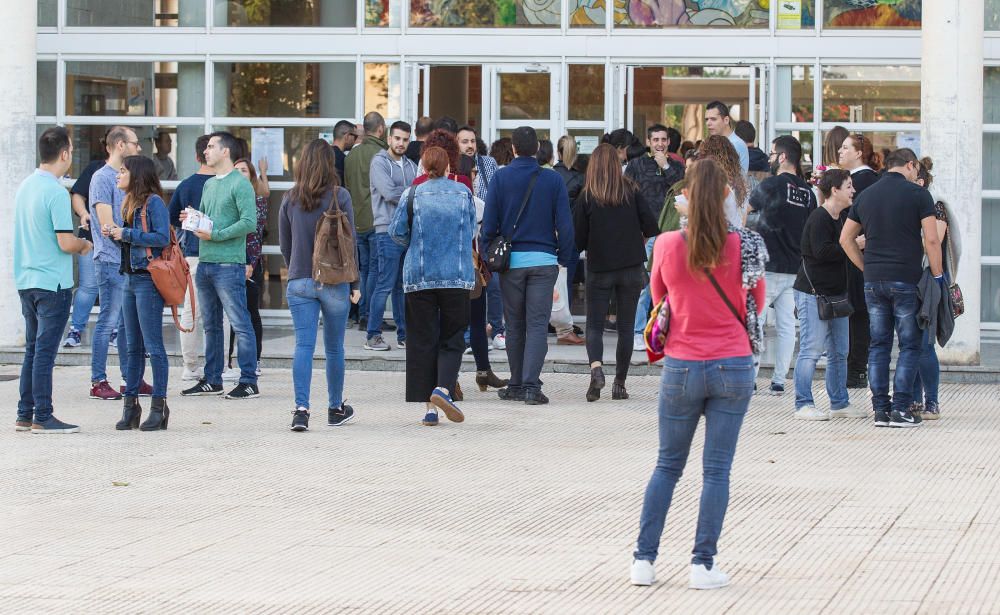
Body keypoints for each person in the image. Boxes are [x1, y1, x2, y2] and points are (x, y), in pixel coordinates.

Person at [630, 158, 766, 590]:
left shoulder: (668, 244)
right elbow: (757, 305)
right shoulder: (746, 244)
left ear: (685, 195)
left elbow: (658, 299)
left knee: (667, 465)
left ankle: (644, 560)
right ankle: (702, 564)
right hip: (733, 363)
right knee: (717, 471)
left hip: (682, 364)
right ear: (727, 195)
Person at [840, 148, 944, 429]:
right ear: (910, 166)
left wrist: (865, 267)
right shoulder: (918, 195)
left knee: (879, 345)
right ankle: (901, 409)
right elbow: (932, 241)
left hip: (874, 281)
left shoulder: (866, 194)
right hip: (906, 280)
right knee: (909, 345)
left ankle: (881, 412)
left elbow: (845, 238)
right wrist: (938, 277)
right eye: (916, 170)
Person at [481, 126, 575, 405]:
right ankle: (532, 386)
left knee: (515, 324)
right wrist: (564, 258)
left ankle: (516, 384)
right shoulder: (552, 180)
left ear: (513, 149)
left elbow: (489, 223)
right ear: (537, 149)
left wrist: (489, 254)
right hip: (544, 262)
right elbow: (565, 224)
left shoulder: (500, 177)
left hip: (512, 263)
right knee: (536, 324)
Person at [390, 146, 478, 426]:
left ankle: (429, 408)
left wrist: (415, 245)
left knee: (422, 341)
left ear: (423, 167)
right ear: (449, 167)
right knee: (453, 338)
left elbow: (396, 232)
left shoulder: (412, 194)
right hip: (456, 275)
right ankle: (443, 388)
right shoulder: (463, 193)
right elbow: (472, 231)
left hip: (419, 276)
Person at [14, 127, 93, 434]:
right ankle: (43, 415)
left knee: (33, 349)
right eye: (71, 150)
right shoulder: (56, 193)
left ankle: (25, 413)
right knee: (45, 352)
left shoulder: (26, 186)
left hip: (26, 279)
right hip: (53, 284)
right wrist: (85, 245)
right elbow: (65, 242)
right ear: (64, 154)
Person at [279, 139, 359, 432]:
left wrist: (299, 268)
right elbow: (352, 246)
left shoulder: (289, 198)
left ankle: (301, 410)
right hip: (335, 281)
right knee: (334, 347)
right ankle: (335, 408)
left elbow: (286, 245)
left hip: (300, 280)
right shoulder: (341, 196)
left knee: (303, 345)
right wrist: (355, 282)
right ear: (330, 164)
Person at [574, 143, 659, 402]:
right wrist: (637, 240)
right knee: (625, 328)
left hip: (600, 267)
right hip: (631, 267)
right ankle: (620, 382)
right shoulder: (631, 191)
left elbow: (577, 239)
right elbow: (652, 225)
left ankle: (596, 369)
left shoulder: (587, 196)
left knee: (594, 326)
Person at [180, 131, 260, 400]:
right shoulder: (210, 184)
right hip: (205, 262)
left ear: (225, 151)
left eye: (212, 146)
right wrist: (192, 218)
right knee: (210, 325)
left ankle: (248, 381)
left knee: (240, 323)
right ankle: (212, 379)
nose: (206, 151)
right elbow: (207, 218)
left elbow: (249, 222)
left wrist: (217, 235)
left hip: (229, 265)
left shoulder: (240, 184)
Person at [791, 169, 866, 420]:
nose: (852, 191)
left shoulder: (843, 218)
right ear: (834, 190)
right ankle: (803, 403)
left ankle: (839, 403)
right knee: (811, 350)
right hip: (813, 293)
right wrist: (853, 245)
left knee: (839, 351)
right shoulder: (818, 218)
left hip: (837, 294)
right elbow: (821, 252)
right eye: (848, 186)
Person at [107, 156, 172, 431]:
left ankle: (159, 406)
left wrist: (127, 234)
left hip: (147, 280)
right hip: (129, 280)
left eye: (122, 171)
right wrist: (115, 234)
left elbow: (162, 238)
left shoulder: (153, 202)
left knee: (153, 347)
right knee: (131, 347)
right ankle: (130, 405)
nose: (117, 175)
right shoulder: (128, 203)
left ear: (136, 175)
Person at [749, 135, 816, 395]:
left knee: (757, 322)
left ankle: (751, 378)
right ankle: (779, 380)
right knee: (787, 326)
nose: (769, 158)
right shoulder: (807, 192)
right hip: (795, 268)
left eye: (773, 153)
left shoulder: (771, 185)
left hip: (768, 266)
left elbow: (746, 214)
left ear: (783, 157)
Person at [89, 126, 144, 402]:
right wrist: (132, 237)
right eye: (135, 143)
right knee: (108, 321)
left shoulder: (126, 178)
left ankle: (130, 378)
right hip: (111, 261)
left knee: (126, 323)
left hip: (128, 261)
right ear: (121, 145)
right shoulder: (103, 178)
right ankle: (98, 380)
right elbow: (106, 224)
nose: (139, 148)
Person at [626, 124, 685, 352]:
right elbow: (627, 196)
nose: (660, 143)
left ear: (668, 142)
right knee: (645, 286)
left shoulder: (677, 167)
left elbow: (682, 191)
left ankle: (667, 330)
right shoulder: (636, 165)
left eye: (664, 139)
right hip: (647, 234)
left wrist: (666, 166)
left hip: (672, 232)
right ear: (649, 142)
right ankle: (638, 331)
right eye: (656, 140)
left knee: (672, 284)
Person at [365, 120, 418, 352]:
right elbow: (388, 192)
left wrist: (411, 194)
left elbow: (414, 190)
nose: (401, 143)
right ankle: (372, 335)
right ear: (389, 138)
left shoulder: (410, 164)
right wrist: (412, 194)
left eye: (405, 139)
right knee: (384, 285)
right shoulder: (379, 162)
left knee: (402, 286)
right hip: (386, 231)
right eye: (397, 138)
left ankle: (404, 335)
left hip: (406, 231)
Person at [910, 158, 955, 421]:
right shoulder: (913, 204)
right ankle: (915, 399)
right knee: (911, 343)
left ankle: (932, 401)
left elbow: (933, 241)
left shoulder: (935, 205)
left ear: (920, 182)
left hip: (930, 278)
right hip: (910, 277)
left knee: (925, 343)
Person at [168, 134, 214, 382]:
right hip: (220, 253)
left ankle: (190, 366)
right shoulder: (225, 182)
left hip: (193, 254)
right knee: (222, 312)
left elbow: (171, 216)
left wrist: (187, 225)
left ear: (197, 156)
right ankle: (223, 365)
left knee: (191, 310)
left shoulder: (186, 185)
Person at [837, 134, 882, 389]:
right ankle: (856, 367)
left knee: (857, 312)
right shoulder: (866, 180)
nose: (840, 151)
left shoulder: (862, 181)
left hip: (857, 254)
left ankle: (855, 369)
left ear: (859, 152)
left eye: (845, 148)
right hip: (857, 252)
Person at [458, 126, 505, 351]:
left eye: (472, 141)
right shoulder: (454, 164)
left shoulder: (488, 163)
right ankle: (468, 335)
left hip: (487, 232)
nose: (469, 145)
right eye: (464, 141)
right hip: (464, 237)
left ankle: (498, 330)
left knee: (493, 283)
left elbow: (497, 194)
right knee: (470, 287)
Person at [62, 131, 110, 349]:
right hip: (91, 237)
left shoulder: (133, 169)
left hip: (118, 240)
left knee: (116, 288)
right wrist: (83, 213)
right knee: (89, 287)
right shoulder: (95, 168)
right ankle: (76, 329)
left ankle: (115, 332)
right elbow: (77, 195)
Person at [345, 112, 388, 335]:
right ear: (380, 129)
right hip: (376, 221)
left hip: (356, 221)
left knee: (362, 270)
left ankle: (362, 313)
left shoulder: (351, 155)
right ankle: (370, 315)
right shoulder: (381, 154)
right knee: (375, 272)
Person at [226, 159, 267, 375]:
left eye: (244, 170)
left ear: (251, 176)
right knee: (232, 315)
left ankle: (254, 360)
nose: (239, 173)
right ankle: (230, 360)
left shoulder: (257, 200)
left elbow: (254, 236)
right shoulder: (228, 198)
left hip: (251, 263)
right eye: (236, 170)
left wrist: (249, 262)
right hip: (230, 261)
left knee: (251, 313)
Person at [697, 135, 749, 229]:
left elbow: (709, 217)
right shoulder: (739, 181)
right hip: (738, 235)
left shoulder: (716, 183)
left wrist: (687, 210)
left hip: (724, 236)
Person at [705, 100, 749, 172]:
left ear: (726, 120)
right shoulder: (713, 142)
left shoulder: (736, 144)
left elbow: (737, 178)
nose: (708, 123)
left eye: (713, 119)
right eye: (706, 119)